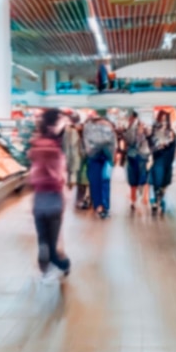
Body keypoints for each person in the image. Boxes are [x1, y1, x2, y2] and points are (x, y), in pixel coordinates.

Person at [28, 109, 72, 281]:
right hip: (54, 195)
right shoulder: (56, 147)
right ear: (54, 124)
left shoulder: (36, 144)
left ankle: (44, 256)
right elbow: (60, 173)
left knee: (43, 236)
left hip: (39, 196)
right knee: (53, 240)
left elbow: (33, 168)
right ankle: (63, 264)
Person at [82, 110, 117, 218]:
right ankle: (105, 207)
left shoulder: (88, 125)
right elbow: (113, 142)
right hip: (106, 156)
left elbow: (86, 142)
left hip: (93, 156)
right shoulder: (108, 125)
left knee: (95, 182)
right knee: (105, 181)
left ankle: (98, 207)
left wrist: (89, 152)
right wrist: (112, 157)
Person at [148, 110, 176, 214]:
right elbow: (151, 142)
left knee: (165, 181)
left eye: (166, 119)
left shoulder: (171, 131)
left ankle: (160, 197)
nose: (164, 122)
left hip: (168, 158)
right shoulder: (155, 130)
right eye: (162, 119)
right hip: (158, 157)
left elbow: (174, 144)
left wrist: (170, 142)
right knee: (158, 179)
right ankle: (156, 200)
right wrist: (158, 146)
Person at [120, 110, 151, 210]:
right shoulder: (138, 126)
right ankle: (136, 199)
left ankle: (138, 199)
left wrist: (124, 133)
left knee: (136, 177)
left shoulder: (136, 126)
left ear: (133, 117)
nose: (128, 119)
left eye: (129, 117)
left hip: (138, 155)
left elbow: (132, 141)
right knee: (137, 177)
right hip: (138, 155)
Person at [61, 112, 83, 198]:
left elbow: (64, 143)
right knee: (73, 166)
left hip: (70, 151)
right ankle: (72, 181)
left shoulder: (68, 129)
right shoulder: (77, 128)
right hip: (73, 151)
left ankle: (71, 181)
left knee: (71, 166)